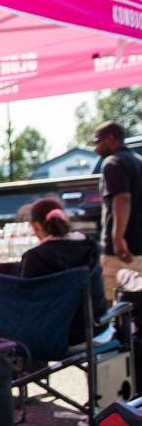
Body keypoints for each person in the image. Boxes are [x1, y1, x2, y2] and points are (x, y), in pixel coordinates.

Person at [20, 198, 106, 345]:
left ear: (35, 226)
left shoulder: (35, 257)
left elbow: (27, 305)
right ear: (65, 219)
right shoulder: (92, 247)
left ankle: (29, 368)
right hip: (95, 333)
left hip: (51, 338)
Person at [95, 121, 142, 302]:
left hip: (121, 250)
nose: (95, 147)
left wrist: (117, 238)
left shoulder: (112, 163)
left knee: (108, 301)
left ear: (111, 139)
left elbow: (122, 199)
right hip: (138, 245)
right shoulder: (138, 161)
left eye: (97, 141)